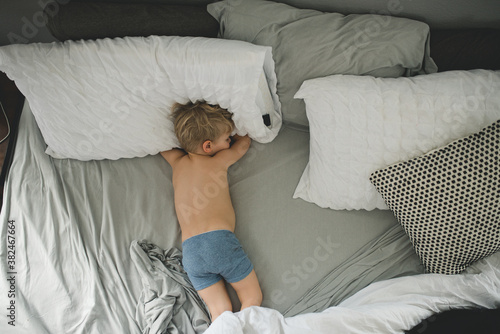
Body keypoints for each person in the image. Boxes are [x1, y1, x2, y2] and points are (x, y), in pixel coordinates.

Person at [160, 101, 262, 321]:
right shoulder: (218, 161)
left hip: (191, 253)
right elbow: (243, 144)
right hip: (219, 243)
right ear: (208, 147)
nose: (230, 140)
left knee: (220, 311)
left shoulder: (177, 163)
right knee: (252, 297)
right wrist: (241, 132)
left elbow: (161, 146)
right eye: (226, 138)